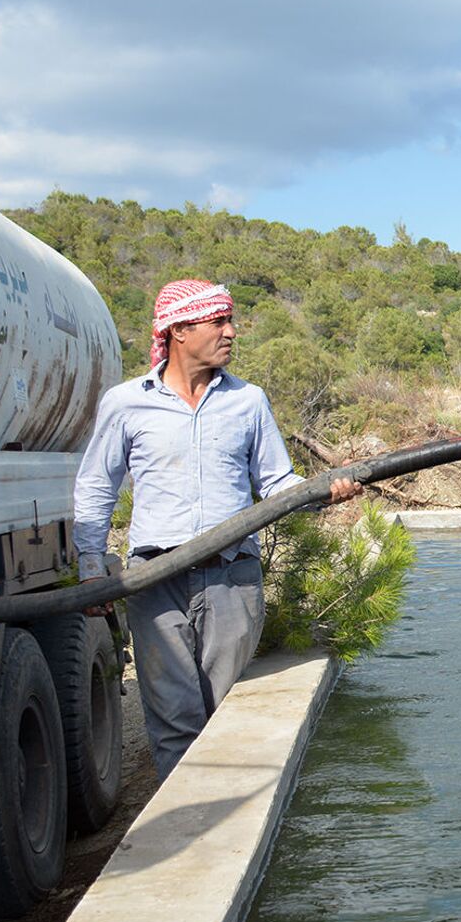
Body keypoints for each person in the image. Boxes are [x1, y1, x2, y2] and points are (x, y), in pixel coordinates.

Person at [74, 279, 362, 780]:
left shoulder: (247, 401)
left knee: (230, 716)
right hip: (154, 579)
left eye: (230, 321)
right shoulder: (126, 403)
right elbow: (97, 486)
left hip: (232, 578)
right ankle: (184, 836)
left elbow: (276, 482)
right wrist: (91, 568)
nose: (231, 332)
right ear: (179, 331)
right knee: (174, 720)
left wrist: (323, 492)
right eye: (219, 322)